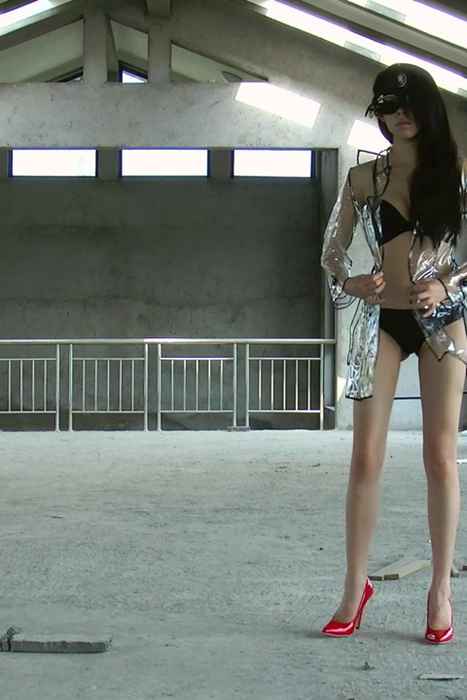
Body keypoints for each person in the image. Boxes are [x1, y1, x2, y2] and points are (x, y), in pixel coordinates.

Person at [320, 62, 467, 644]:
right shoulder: (364, 179)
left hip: (442, 322)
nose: (400, 116)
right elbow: (332, 250)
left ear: (428, 109)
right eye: (388, 108)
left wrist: (449, 284)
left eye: (409, 106)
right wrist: (351, 280)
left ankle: (440, 590)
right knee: (365, 458)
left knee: (440, 456)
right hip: (383, 319)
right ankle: (354, 585)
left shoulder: (455, 171)